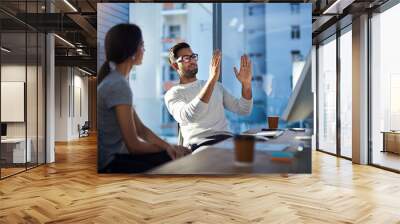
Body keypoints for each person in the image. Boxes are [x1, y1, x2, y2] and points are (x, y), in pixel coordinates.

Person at [97, 24, 191, 173]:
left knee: (173, 154)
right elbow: (134, 146)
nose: (144, 49)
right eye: (142, 45)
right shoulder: (118, 85)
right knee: (174, 161)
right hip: (111, 163)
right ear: (132, 50)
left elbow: (141, 130)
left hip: (117, 158)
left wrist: (168, 147)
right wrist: (168, 150)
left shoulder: (117, 81)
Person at [164, 42, 253, 150]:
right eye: (186, 58)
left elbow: (244, 109)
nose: (192, 60)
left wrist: (246, 84)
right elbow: (190, 115)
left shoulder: (216, 86)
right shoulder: (173, 93)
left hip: (228, 140)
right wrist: (211, 80)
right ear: (175, 65)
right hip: (201, 145)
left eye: (193, 57)